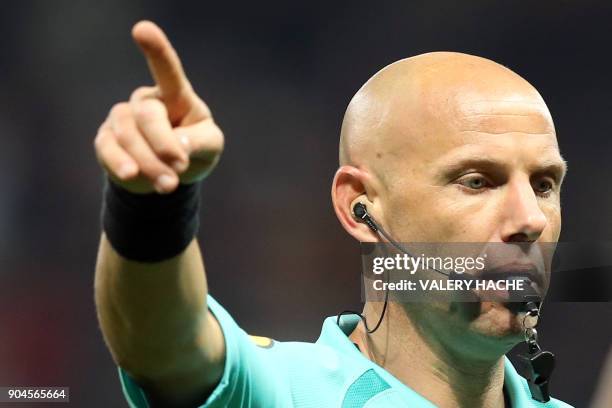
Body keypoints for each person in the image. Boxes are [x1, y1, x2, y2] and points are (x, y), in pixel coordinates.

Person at [94, 20, 573, 407]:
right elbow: (161, 343)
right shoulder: (281, 392)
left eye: (543, 184)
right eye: (477, 181)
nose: (529, 218)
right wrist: (151, 204)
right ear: (358, 206)